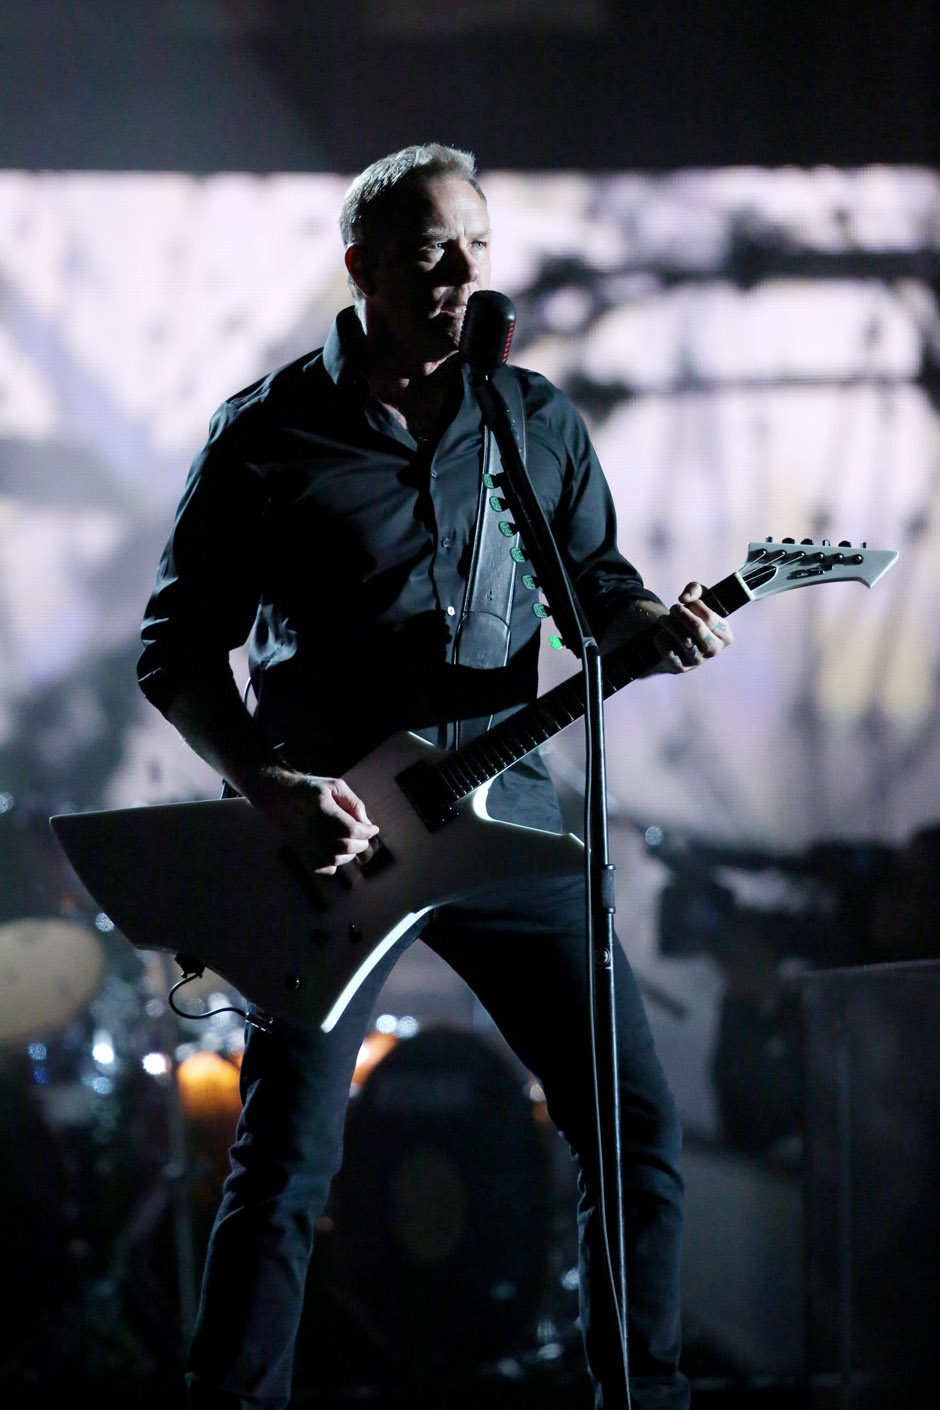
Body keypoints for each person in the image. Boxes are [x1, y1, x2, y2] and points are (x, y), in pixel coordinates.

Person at [137, 143, 732, 1410]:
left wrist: (650, 631)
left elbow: (599, 597)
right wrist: (270, 785)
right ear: (359, 268)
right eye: (427, 252)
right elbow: (176, 651)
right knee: (288, 1159)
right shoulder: (268, 432)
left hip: (504, 825)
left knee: (631, 1130)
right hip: (334, 844)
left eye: (475, 248)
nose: (461, 276)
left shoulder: (532, 421)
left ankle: (650, 1399)